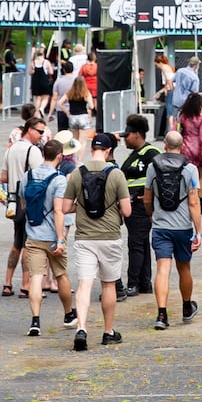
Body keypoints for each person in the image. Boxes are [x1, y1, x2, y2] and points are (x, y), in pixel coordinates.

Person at [59, 132, 130, 349]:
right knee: (108, 284)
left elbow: (64, 208)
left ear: (92, 149)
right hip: (109, 236)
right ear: (109, 151)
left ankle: (81, 327)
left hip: (85, 237)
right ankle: (108, 331)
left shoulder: (77, 174)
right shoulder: (117, 174)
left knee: (84, 284)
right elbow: (126, 211)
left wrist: (81, 205)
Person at [145, 131, 202, 331]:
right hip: (183, 227)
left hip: (161, 227)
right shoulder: (190, 169)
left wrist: (152, 215)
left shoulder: (153, 167)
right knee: (184, 268)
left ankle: (162, 314)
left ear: (165, 146)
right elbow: (194, 201)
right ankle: (187, 307)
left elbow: (147, 198)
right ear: (182, 146)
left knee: (162, 269)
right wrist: (199, 231)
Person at [20, 138, 76, 338]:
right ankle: (69, 314)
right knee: (61, 274)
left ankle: (35, 320)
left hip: (33, 234)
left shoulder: (29, 175)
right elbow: (59, 211)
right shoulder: (59, 179)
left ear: (43, 154)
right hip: (52, 237)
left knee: (36, 277)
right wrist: (60, 238)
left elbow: (23, 202)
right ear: (60, 156)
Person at [0, 115, 48, 298]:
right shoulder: (33, 151)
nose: (42, 136)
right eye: (40, 132)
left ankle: (7, 282)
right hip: (28, 201)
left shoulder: (10, 150)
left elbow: (3, 177)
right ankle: (26, 285)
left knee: (17, 243)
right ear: (30, 130)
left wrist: (14, 176)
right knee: (30, 244)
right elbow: (39, 178)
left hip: (12, 201)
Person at [118, 115, 160, 299]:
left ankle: (133, 283)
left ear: (137, 134)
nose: (124, 139)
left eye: (127, 135)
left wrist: (149, 197)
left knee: (135, 243)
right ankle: (144, 283)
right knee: (140, 243)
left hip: (141, 207)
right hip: (133, 206)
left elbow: (159, 178)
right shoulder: (133, 155)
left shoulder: (151, 153)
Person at [63, 75, 95, 162]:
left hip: (72, 117)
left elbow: (60, 102)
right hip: (83, 117)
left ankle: (74, 159)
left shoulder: (70, 93)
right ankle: (79, 161)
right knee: (83, 141)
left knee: (75, 141)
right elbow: (92, 106)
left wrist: (66, 111)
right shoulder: (86, 93)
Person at [50, 59, 75, 129]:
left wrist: (50, 112)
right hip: (74, 110)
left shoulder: (58, 81)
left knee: (62, 133)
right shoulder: (76, 81)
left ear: (64, 70)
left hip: (61, 109)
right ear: (73, 69)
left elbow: (54, 98)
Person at [30, 49, 54, 114]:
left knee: (38, 98)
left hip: (35, 82)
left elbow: (30, 72)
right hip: (44, 81)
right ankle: (42, 108)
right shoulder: (46, 62)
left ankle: (37, 112)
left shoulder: (33, 62)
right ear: (43, 54)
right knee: (46, 97)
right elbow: (51, 72)